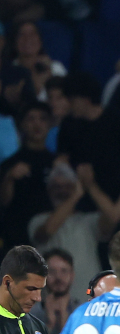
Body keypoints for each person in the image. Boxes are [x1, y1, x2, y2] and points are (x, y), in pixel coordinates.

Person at [28, 162, 120, 303]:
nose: (62, 191)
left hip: (88, 301)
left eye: (68, 186)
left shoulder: (88, 221)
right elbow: (47, 230)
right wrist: (76, 195)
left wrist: (90, 186)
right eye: (57, 187)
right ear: (49, 191)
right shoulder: (38, 221)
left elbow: (113, 217)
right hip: (51, 305)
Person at [56, 71, 120, 216]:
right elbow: (62, 159)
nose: (68, 105)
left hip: (115, 195)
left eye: (72, 100)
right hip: (81, 199)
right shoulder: (68, 124)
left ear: (86, 100)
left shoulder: (117, 121)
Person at [0, 102, 55, 253]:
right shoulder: (10, 164)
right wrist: (10, 178)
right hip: (18, 238)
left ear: (50, 124)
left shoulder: (57, 162)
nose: (37, 124)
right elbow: (4, 202)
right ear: (22, 124)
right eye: (31, 119)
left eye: (42, 119)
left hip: (51, 235)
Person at [26, 247, 79, 334]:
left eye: (64, 271)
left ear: (72, 275)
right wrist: (49, 323)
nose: (58, 277)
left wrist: (63, 319)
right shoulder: (30, 315)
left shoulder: (83, 311)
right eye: (52, 271)